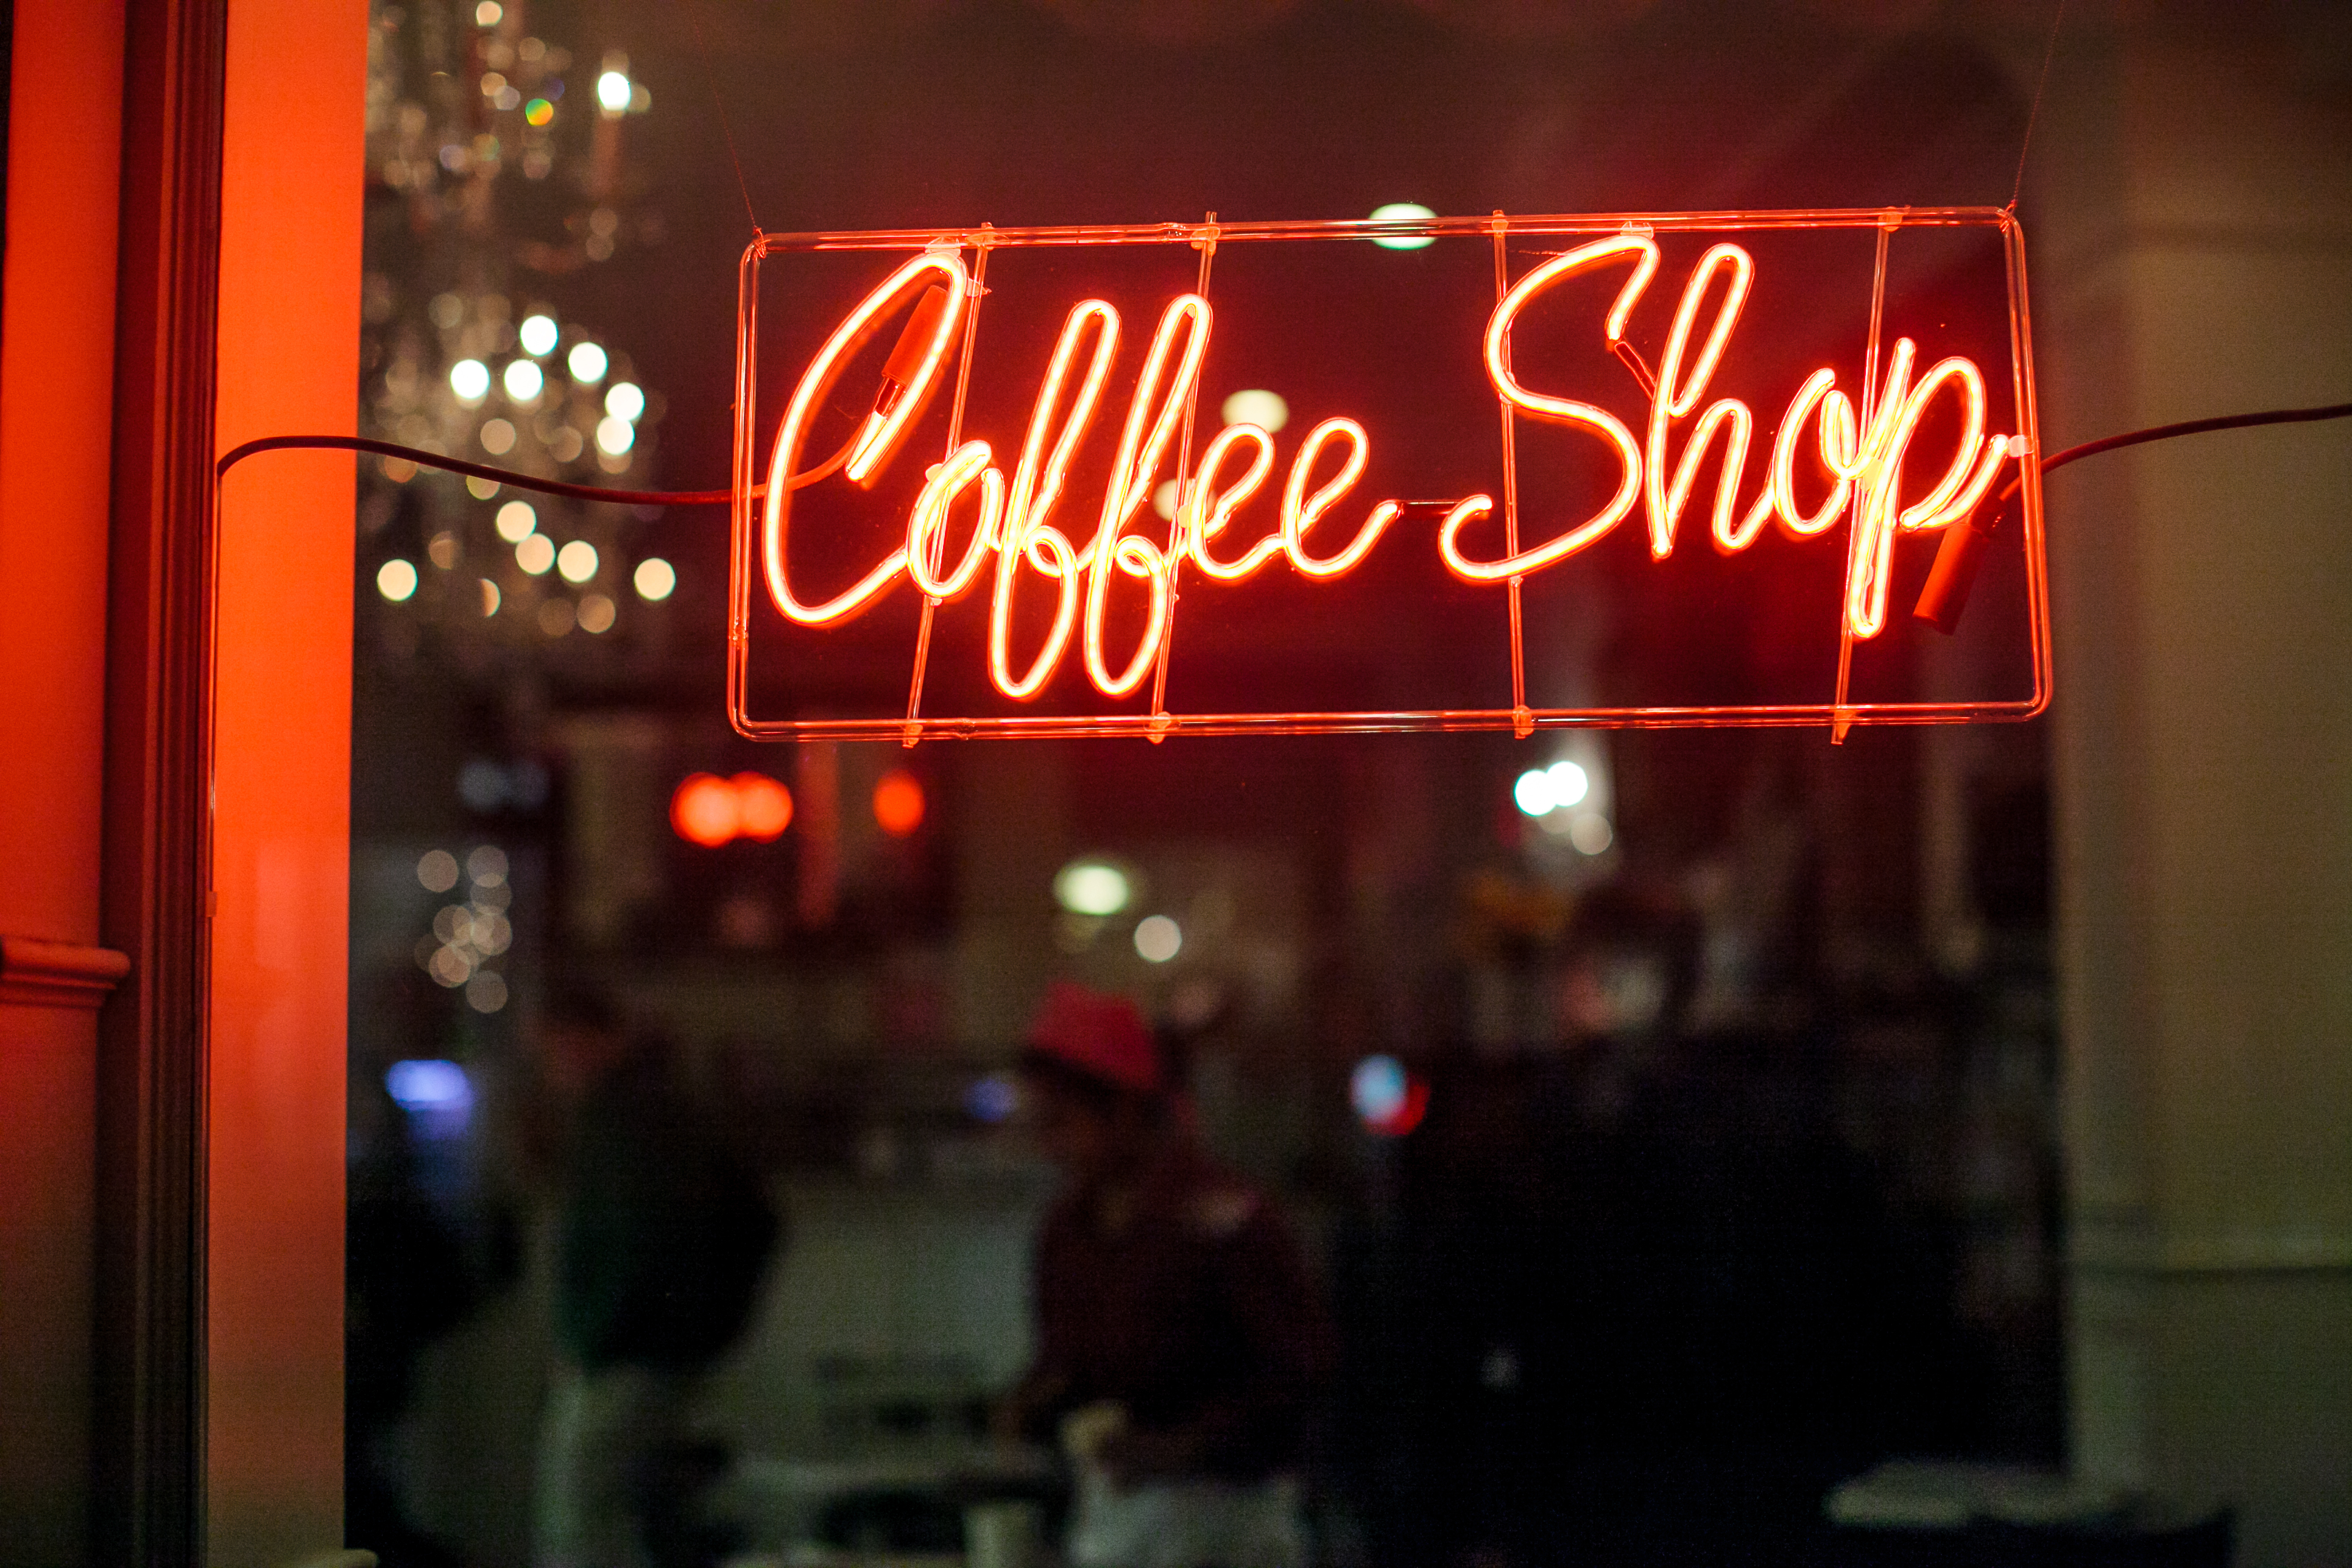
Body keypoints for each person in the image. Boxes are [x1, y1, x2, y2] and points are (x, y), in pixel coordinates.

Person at [1000, 984, 1335, 1568]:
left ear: (1125, 1108)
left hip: (1230, 1531)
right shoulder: (1070, 1230)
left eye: (1060, 1122)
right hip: (1119, 1523)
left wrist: (1184, 1449)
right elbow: (1070, 1366)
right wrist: (1034, 1403)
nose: (1048, 1147)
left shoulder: (1224, 1219)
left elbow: (1302, 1378)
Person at [530, 991, 780, 1568]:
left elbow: (639, 1240)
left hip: (628, 1351)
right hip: (653, 1347)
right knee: (615, 1510)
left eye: (558, 1048)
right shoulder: (657, 1108)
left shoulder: (627, 1116)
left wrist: (591, 1339)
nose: (555, 1067)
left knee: (582, 1516)